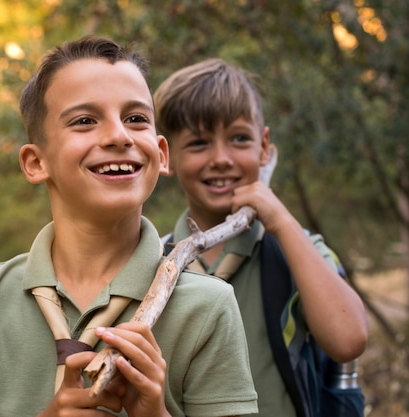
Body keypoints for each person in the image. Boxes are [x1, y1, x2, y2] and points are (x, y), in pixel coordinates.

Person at [0, 36, 258, 417]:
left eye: (136, 119)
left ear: (162, 154)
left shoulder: (209, 305)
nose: (119, 136)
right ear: (36, 162)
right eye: (85, 121)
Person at [153, 58, 368, 417]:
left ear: (264, 146)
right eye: (199, 143)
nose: (221, 159)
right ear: (167, 155)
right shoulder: (154, 261)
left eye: (239, 138)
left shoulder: (295, 251)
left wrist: (281, 221)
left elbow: (348, 340)